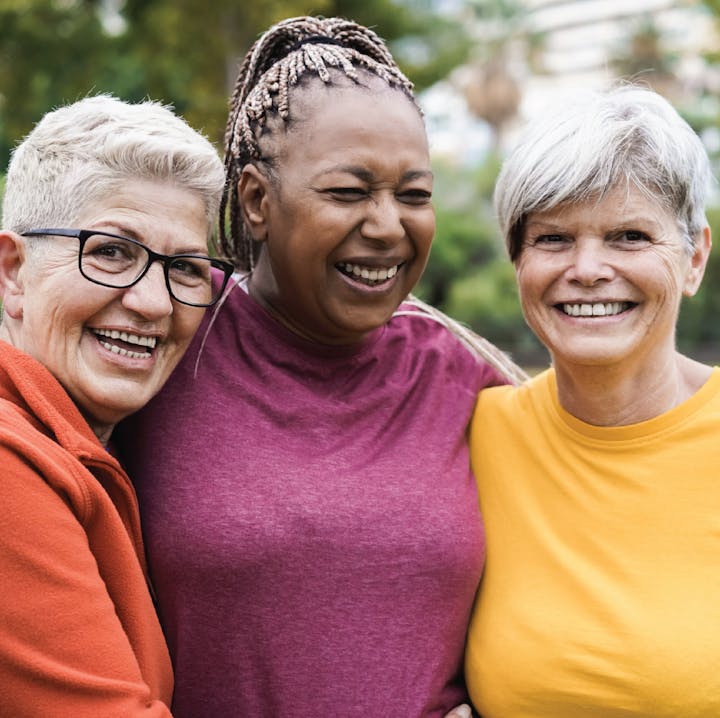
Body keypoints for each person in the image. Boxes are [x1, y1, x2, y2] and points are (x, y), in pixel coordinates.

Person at [116, 15, 525, 718]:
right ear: (255, 201)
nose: (388, 224)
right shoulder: (168, 330)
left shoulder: (466, 377)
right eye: (348, 192)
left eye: (414, 194)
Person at [464, 84, 720, 717]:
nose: (587, 268)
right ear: (517, 262)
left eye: (629, 236)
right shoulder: (477, 434)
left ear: (693, 258)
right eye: (552, 239)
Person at [0, 95, 231, 716]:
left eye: (184, 267)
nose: (154, 303)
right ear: (12, 273)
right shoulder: (9, 462)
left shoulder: (81, 446)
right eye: (110, 252)